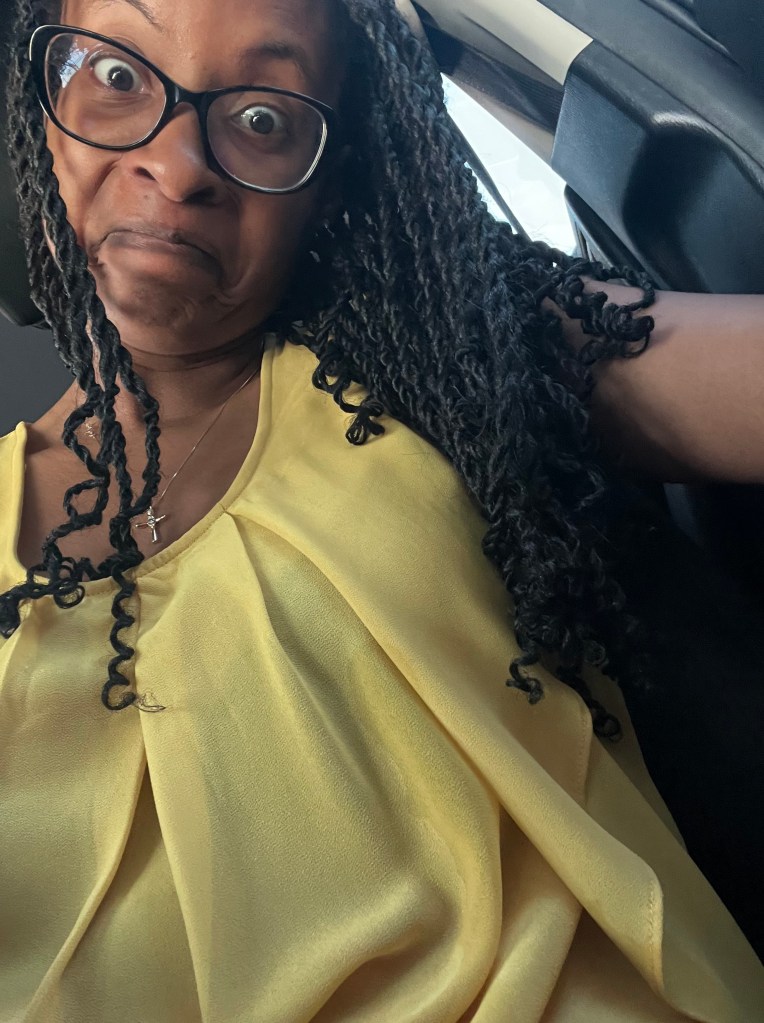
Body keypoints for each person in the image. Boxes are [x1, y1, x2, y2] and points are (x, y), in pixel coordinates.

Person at [0, 0, 761, 1019]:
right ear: (40, 111)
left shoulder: (450, 361)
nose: (178, 166)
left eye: (263, 117)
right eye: (118, 77)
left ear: (325, 189)